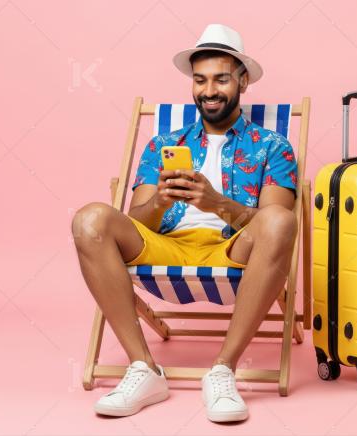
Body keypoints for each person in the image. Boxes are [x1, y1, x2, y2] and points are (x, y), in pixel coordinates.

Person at [71, 23, 298, 423]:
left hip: (231, 250)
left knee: (281, 221)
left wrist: (217, 204)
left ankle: (223, 369)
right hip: (168, 245)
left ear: (243, 82)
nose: (209, 90)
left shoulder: (273, 146)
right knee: (90, 218)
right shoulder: (164, 145)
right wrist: (160, 200)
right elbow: (136, 224)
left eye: (221, 79)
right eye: (200, 80)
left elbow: (271, 223)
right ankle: (143, 368)